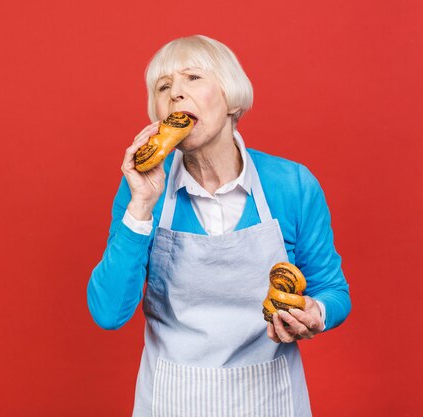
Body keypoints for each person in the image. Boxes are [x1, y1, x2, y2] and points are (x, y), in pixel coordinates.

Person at [87, 35, 351, 417]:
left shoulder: (291, 184)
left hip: (271, 399)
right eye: (163, 87)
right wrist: (141, 205)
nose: (176, 93)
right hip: (172, 400)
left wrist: (316, 312)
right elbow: (108, 313)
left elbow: (333, 290)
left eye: (192, 78)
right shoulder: (145, 194)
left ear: (231, 98)